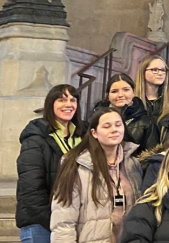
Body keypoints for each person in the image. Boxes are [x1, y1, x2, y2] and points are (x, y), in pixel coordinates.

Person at [50, 107, 143, 243]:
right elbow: (63, 221)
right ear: (94, 133)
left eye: (118, 125)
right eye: (107, 126)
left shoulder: (132, 164)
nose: (114, 129)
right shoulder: (76, 166)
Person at [16, 85, 85, 243]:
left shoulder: (84, 135)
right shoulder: (36, 137)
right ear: (50, 104)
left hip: (73, 221)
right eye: (61, 100)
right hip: (41, 223)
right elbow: (30, 186)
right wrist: (54, 219)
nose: (68, 104)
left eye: (73, 100)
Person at [98, 73, 159, 154]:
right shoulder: (97, 118)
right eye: (114, 91)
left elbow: (151, 156)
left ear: (133, 92)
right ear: (108, 95)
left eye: (126, 90)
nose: (120, 95)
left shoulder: (146, 122)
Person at [134, 56, 169, 122]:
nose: (160, 73)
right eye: (155, 70)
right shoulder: (133, 100)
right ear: (143, 72)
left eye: (163, 70)